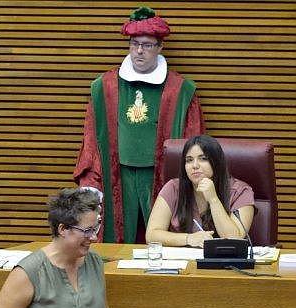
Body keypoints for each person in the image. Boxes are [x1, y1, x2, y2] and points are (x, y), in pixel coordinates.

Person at [74, 6, 205, 243]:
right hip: (118, 176)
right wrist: (91, 180)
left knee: (163, 241)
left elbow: (194, 144)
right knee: (117, 241)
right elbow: (92, 140)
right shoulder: (105, 87)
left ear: (160, 47)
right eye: (134, 44)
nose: (139, 51)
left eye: (146, 45)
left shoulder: (181, 90)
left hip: (163, 175)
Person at [0, 188, 113, 308]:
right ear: (63, 229)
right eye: (87, 230)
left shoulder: (94, 262)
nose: (94, 237)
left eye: (95, 228)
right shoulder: (29, 272)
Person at [146, 135, 255, 247]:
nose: (195, 166)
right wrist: (189, 239)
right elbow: (151, 235)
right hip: (182, 262)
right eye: (189, 160)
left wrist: (213, 199)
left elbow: (233, 240)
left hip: (224, 262)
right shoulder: (173, 188)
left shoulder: (240, 192)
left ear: (216, 162)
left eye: (203, 159)